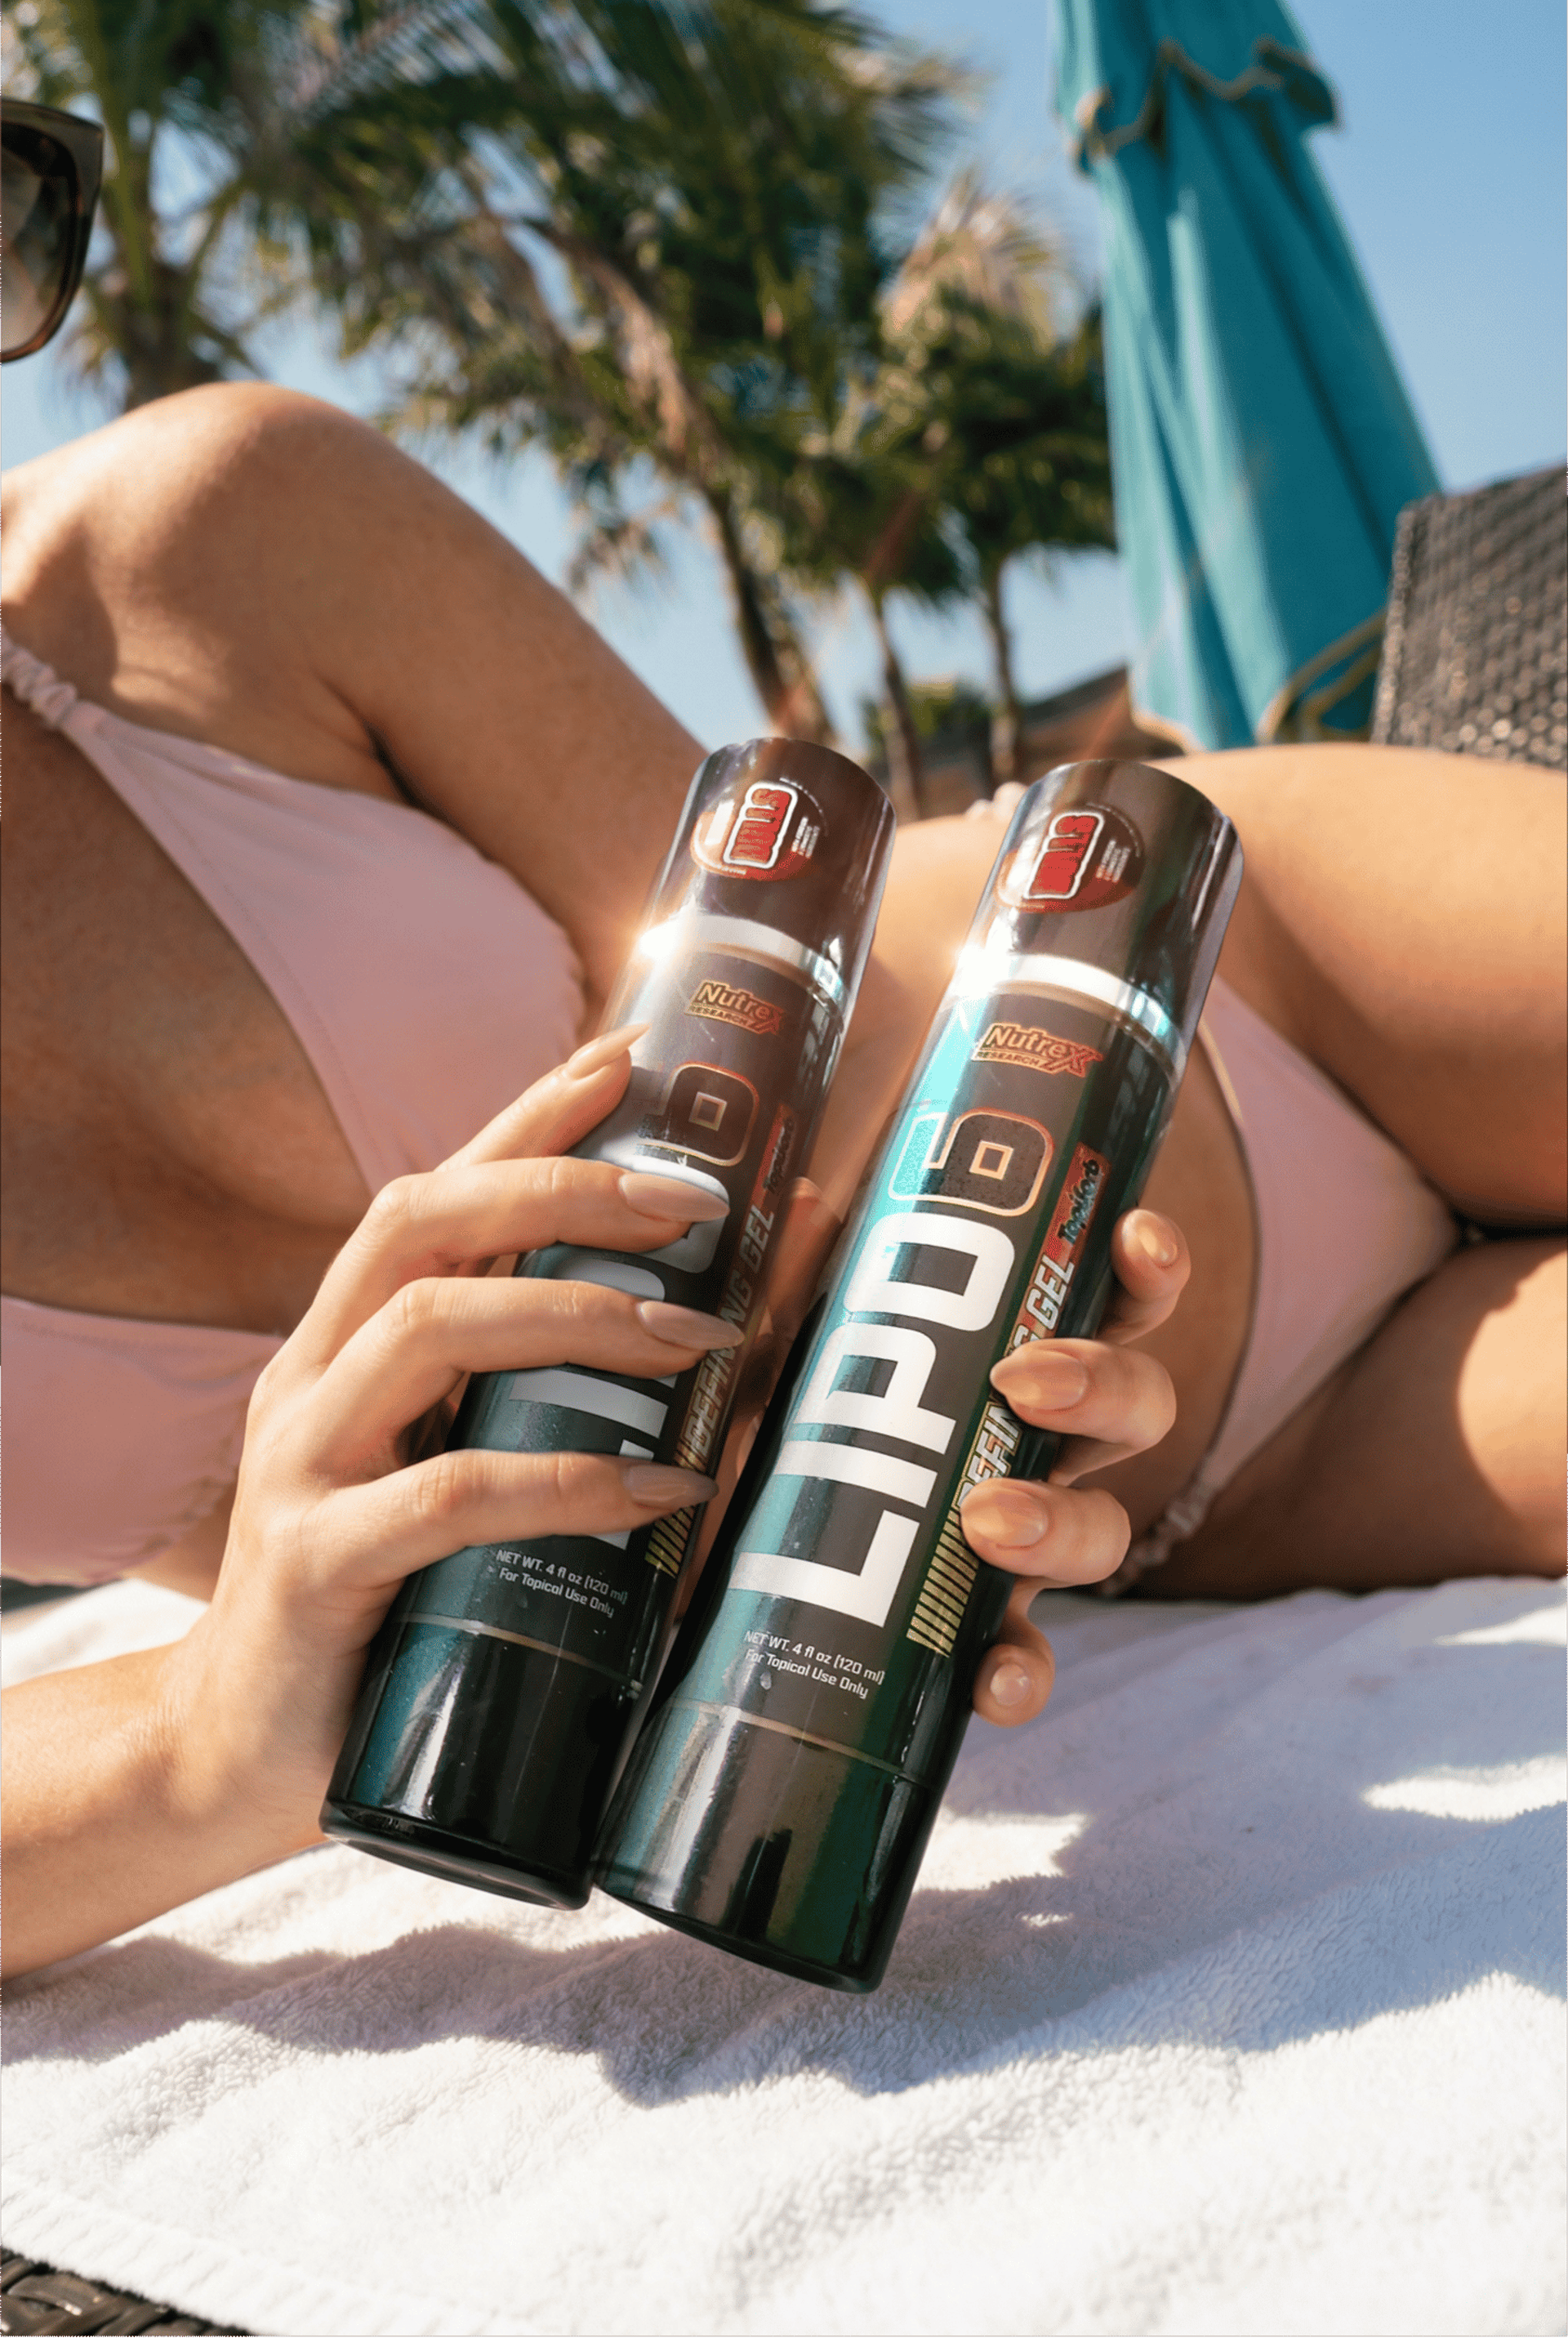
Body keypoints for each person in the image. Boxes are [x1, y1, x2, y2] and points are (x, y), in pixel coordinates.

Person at [2, 385, 1562, 1981]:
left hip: (1214, 992)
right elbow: (196, 1728)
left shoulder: (186, 543)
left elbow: (821, 971)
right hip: (1218, 1487)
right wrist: (195, 1732)